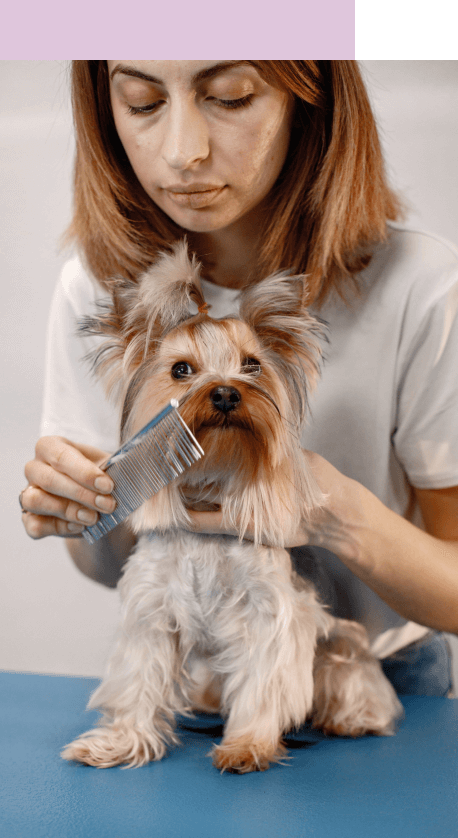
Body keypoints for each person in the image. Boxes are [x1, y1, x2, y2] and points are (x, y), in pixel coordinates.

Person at [21, 61, 458, 696]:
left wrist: (336, 516)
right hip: (199, 689)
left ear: (312, 98)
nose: (182, 152)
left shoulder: (423, 285)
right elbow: (106, 562)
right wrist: (80, 510)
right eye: (142, 103)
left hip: (375, 681)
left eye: (231, 97)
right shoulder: (97, 290)